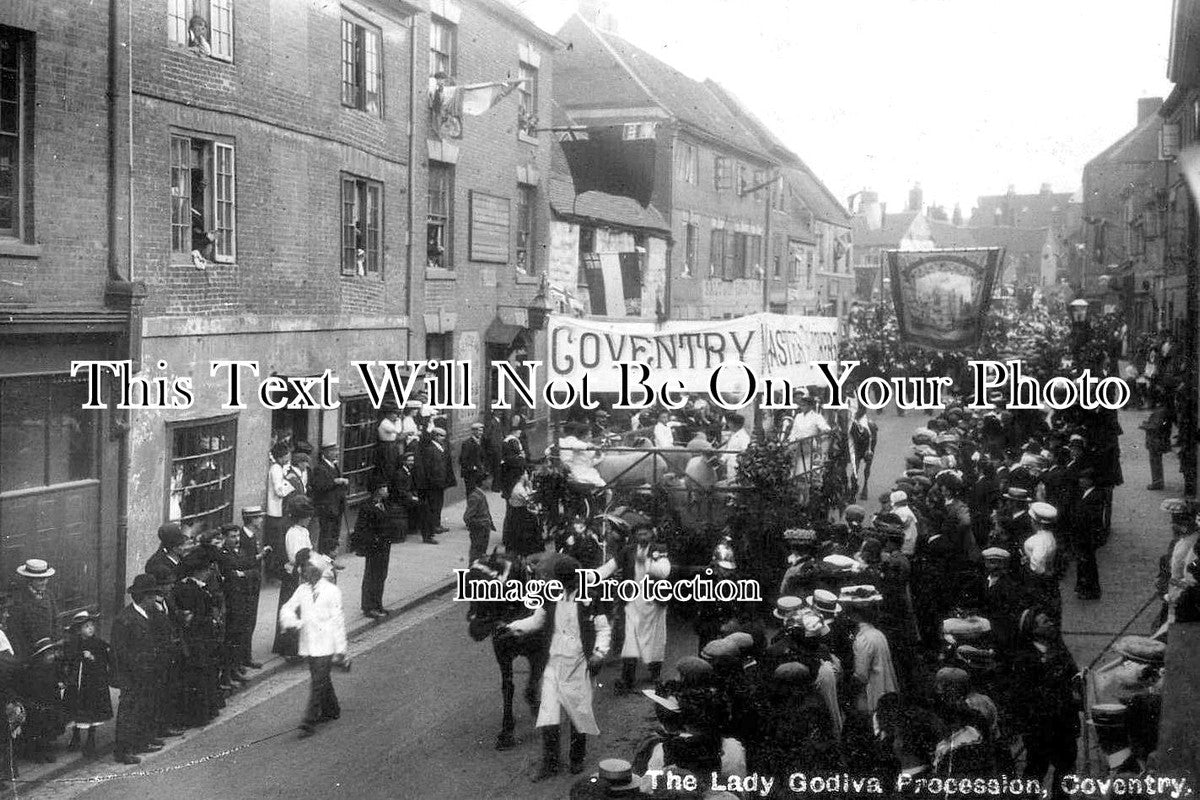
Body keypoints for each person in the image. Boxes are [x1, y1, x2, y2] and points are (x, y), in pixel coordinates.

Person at [505, 556, 610, 780]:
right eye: (563, 580)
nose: (567, 584)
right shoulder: (549, 595)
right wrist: (512, 627)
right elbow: (536, 621)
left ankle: (576, 759)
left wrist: (599, 653)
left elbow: (603, 629)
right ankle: (550, 763)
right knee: (549, 715)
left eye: (571, 580)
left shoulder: (590, 598)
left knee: (577, 714)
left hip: (579, 663)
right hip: (554, 663)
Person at [278, 555, 348, 738]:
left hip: (327, 643)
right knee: (322, 678)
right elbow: (287, 608)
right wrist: (292, 622)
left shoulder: (332, 591)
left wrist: (341, 649)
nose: (304, 571)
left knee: (318, 681)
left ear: (317, 571)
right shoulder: (302, 590)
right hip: (309, 642)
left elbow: (338, 620)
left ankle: (308, 720)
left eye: (308, 568)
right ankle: (332, 709)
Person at [111, 574, 168, 765]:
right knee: (129, 710)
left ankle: (142, 740)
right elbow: (120, 652)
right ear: (145, 598)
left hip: (146, 671)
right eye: (153, 597)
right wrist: (137, 669)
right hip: (131, 674)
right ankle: (124, 750)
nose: (155, 600)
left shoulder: (148, 615)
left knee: (145, 706)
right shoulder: (125, 619)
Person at [61, 611, 113, 758]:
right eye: (86, 626)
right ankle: (75, 736)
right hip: (77, 684)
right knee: (77, 709)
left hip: (93, 684)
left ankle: (91, 739)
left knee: (92, 710)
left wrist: (93, 657)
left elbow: (105, 659)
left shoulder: (98, 644)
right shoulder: (73, 644)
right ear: (78, 630)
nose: (91, 629)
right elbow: (68, 660)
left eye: (92, 626)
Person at [273, 495, 316, 659]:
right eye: (307, 517)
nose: (309, 519)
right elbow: (293, 556)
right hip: (295, 576)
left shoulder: (304, 531)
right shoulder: (292, 533)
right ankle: (288, 649)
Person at [219, 516, 265, 672]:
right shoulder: (224, 554)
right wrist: (246, 572)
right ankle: (232, 669)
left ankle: (241, 662)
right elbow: (233, 572)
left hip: (245, 596)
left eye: (237, 536)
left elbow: (254, 571)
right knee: (233, 634)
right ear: (224, 538)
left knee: (244, 629)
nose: (236, 539)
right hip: (232, 599)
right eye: (232, 537)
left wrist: (244, 574)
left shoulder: (241, 552)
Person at [350, 475, 392, 619]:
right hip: (374, 548)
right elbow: (362, 529)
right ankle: (369, 606)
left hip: (384, 546)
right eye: (383, 487)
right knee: (372, 576)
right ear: (377, 490)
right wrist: (372, 542)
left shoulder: (385, 504)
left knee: (381, 576)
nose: (386, 490)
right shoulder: (367, 507)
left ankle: (378, 604)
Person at [9, 559, 59, 663]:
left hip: (49, 649)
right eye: (40, 580)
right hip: (31, 653)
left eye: (46, 578)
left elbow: (56, 620)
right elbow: (16, 632)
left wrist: (55, 642)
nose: (44, 582)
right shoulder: (20, 600)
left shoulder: (49, 595)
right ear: (30, 580)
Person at [416, 427, 456, 539]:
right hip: (433, 483)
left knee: (438, 504)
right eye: (441, 436)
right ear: (435, 436)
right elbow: (428, 468)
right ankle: (433, 525)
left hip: (440, 482)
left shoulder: (441, 448)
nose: (443, 438)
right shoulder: (430, 449)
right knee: (434, 505)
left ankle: (437, 524)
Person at [310, 443, 349, 555]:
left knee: (334, 535)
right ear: (325, 453)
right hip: (327, 508)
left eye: (336, 450)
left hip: (337, 507)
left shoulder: (334, 466)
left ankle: (332, 559)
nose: (336, 453)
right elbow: (319, 486)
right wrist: (335, 482)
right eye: (333, 451)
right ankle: (325, 558)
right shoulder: (320, 468)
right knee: (326, 535)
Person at [265, 443, 295, 580]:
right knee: (277, 543)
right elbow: (279, 491)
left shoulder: (279, 467)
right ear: (281, 456)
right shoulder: (276, 469)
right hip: (275, 512)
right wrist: (289, 483)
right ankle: (276, 573)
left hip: (278, 512)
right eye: (286, 456)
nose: (288, 458)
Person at [1140, 391, 1172, 491]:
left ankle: (1157, 482)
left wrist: (1145, 426)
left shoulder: (1160, 412)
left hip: (1155, 440)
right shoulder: (1164, 410)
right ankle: (1158, 481)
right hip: (1159, 439)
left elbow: (1156, 426)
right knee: (1156, 460)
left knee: (1155, 461)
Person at [464, 473, 496, 566]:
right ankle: (472, 569)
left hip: (485, 527)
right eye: (489, 480)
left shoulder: (481, 495)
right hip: (479, 528)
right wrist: (478, 525)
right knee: (476, 551)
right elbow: (467, 516)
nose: (491, 482)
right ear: (483, 482)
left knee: (482, 551)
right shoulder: (475, 496)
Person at [460, 421, 489, 493]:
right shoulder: (467, 443)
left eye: (482, 431)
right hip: (470, 474)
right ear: (473, 431)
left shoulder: (481, 442)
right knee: (471, 493)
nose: (481, 433)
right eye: (479, 431)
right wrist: (472, 467)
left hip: (479, 473)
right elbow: (463, 459)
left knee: (478, 493)